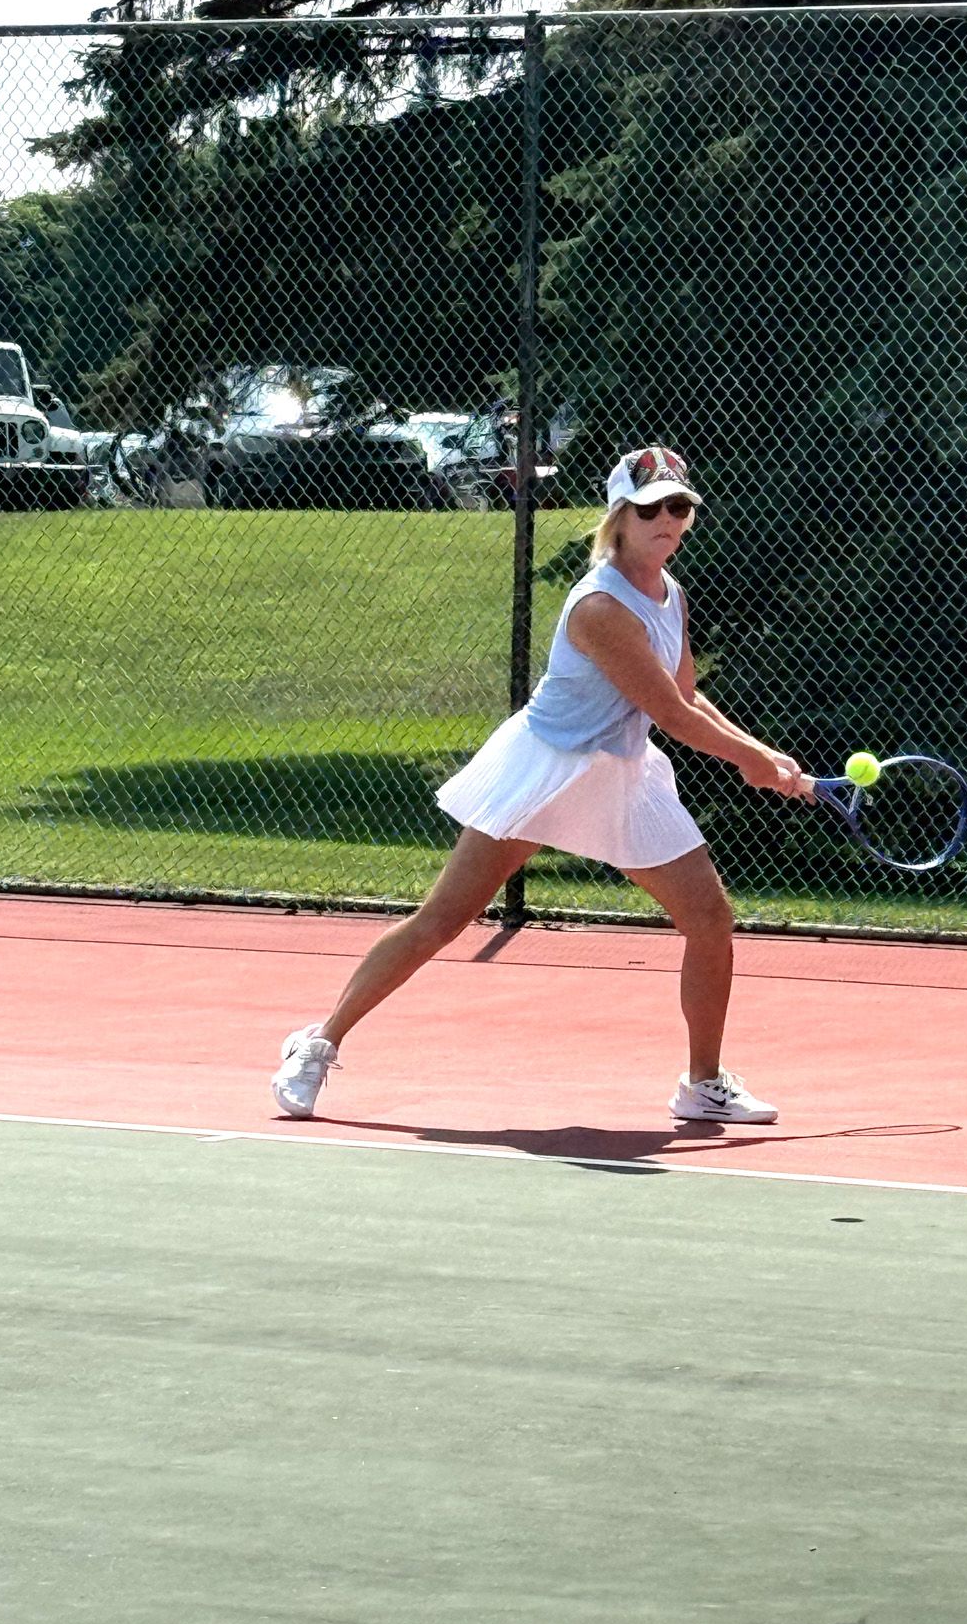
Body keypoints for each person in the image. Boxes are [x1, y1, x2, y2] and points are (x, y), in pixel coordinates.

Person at [272, 445, 810, 1124]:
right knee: (444, 920)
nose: (667, 519)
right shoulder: (600, 609)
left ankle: (702, 1084)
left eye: (679, 506)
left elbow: (685, 694)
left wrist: (764, 753)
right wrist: (747, 762)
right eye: (651, 508)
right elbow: (670, 714)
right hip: (549, 767)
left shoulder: (670, 595)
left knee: (708, 919)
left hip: (623, 773)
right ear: (620, 517)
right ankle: (317, 1042)